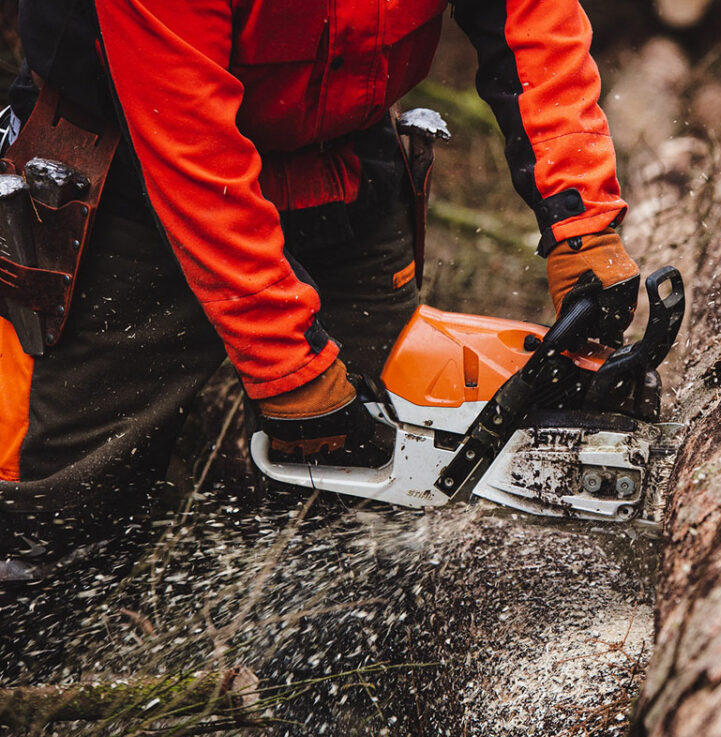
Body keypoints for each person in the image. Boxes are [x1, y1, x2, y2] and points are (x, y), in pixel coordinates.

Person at [0, 0, 640, 579]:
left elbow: (529, 16)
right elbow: (190, 150)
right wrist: (287, 369)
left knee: (382, 484)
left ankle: (324, 670)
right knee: (56, 513)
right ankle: (43, 687)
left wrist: (581, 220)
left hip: (342, 159)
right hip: (130, 169)